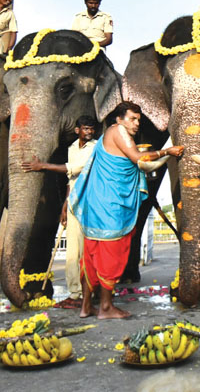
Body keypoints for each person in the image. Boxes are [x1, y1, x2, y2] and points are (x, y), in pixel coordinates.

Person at [68, 102, 182, 319]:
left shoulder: (110, 135)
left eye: (138, 120)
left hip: (98, 206)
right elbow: (139, 159)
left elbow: (140, 163)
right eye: (132, 118)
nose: (137, 124)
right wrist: (167, 151)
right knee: (111, 255)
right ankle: (105, 307)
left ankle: (86, 307)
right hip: (110, 208)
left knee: (92, 257)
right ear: (119, 119)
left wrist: (165, 155)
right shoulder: (118, 131)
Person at [21, 116, 97, 309]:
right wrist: (65, 206)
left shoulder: (96, 148)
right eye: (86, 129)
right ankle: (75, 293)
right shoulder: (72, 148)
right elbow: (71, 180)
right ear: (77, 130)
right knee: (72, 251)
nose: (89, 132)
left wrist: (43, 166)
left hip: (90, 202)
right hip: (73, 202)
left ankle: (88, 291)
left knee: (86, 251)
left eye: (92, 129)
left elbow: (78, 168)